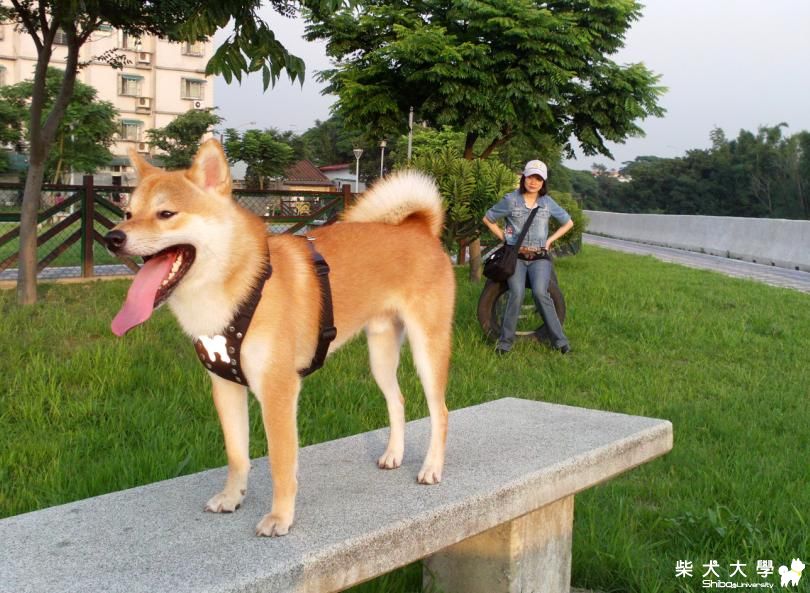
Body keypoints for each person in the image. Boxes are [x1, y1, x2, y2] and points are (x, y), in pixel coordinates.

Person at [482, 159, 574, 355]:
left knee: (541, 292)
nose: (533, 182)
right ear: (524, 177)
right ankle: (505, 343)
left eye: (538, 179)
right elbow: (488, 218)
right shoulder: (511, 200)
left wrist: (549, 241)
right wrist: (505, 239)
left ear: (543, 182)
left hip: (539, 258)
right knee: (516, 293)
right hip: (516, 257)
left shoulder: (547, 203)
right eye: (531, 177)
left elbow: (568, 223)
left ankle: (560, 341)